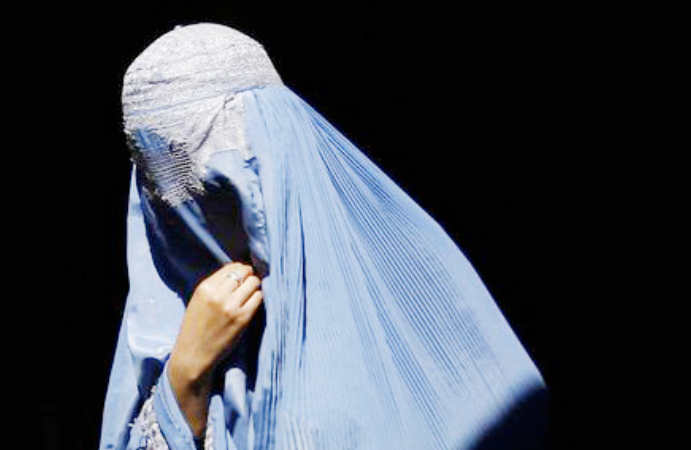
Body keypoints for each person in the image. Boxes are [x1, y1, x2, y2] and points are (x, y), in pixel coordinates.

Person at [100, 22, 548, 450]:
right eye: (155, 173)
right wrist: (184, 382)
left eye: (198, 169)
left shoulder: (411, 293)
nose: (177, 198)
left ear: (273, 145)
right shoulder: (167, 318)